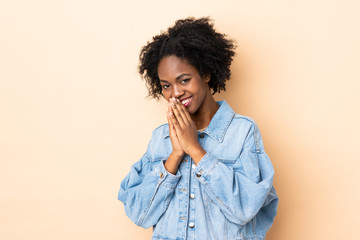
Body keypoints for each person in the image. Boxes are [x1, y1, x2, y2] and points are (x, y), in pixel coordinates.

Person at [118, 17, 278, 240]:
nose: (175, 92)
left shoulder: (242, 133)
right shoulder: (160, 138)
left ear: (206, 73)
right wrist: (174, 155)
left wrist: (195, 150)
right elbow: (140, 215)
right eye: (166, 85)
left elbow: (245, 209)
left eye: (184, 80)